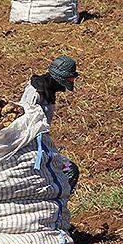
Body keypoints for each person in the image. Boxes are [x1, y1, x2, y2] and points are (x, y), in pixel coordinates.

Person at [21, 55, 80, 191]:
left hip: (42, 144)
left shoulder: (49, 91)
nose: (70, 83)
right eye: (68, 79)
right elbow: (24, 122)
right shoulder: (36, 91)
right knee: (70, 170)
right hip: (31, 146)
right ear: (58, 77)